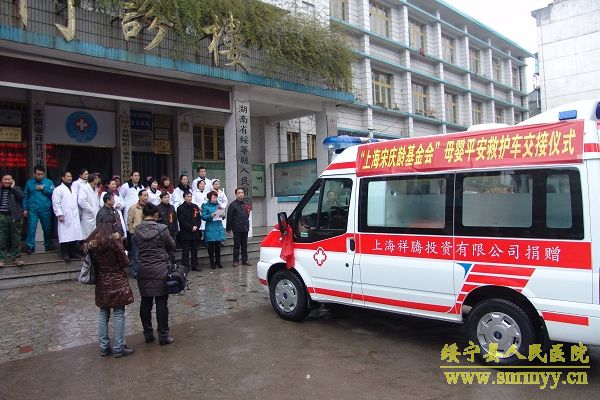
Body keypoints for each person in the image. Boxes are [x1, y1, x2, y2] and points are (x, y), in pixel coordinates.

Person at [84, 223, 134, 358]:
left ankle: (104, 347)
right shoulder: (115, 243)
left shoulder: (93, 246)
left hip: (102, 281)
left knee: (103, 313)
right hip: (117, 280)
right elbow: (125, 262)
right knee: (119, 313)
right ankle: (119, 347)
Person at [134, 203, 176, 346]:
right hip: (160, 269)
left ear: (143, 215)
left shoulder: (136, 230)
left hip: (143, 269)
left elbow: (137, 245)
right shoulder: (162, 229)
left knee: (145, 302)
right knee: (161, 302)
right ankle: (163, 335)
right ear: (156, 215)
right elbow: (172, 246)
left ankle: (148, 334)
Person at [51, 171, 83, 262]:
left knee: (74, 234)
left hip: (74, 215)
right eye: (67, 176)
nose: (69, 178)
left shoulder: (73, 189)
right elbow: (56, 203)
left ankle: (73, 252)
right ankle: (65, 253)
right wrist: (59, 214)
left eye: (70, 176)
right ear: (63, 178)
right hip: (65, 215)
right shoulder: (58, 189)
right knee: (65, 235)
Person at [23, 165, 55, 253]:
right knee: (31, 228)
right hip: (32, 209)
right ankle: (30, 246)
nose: (40, 176)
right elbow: (25, 196)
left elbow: (54, 192)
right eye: (38, 174)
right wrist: (25, 209)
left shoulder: (49, 182)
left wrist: (44, 188)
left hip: (45, 208)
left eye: (41, 174)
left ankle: (48, 244)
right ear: (34, 174)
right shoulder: (29, 183)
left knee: (47, 228)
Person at [0, 173, 26, 267]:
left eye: (9, 179)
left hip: (14, 217)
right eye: (5, 179)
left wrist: (13, 187)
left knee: (16, 238)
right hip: (2, 216)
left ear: (12, 181)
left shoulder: (16, 189)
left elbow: (21, 197)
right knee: (1, 238)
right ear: (2, 181)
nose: (7, 181)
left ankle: (16, 258)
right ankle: (1, 259)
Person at [226, 188, 251, 267]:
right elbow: (229, 217)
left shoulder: (246, 204)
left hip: (245, 227)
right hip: (236, 227)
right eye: (239, 193)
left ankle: (245, 260)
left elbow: (247, 215)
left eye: (242, 193)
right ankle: (235, 261)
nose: (241, 194)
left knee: (244, 245)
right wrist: (228, 228)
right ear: (236, 194)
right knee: (237, 245)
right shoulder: (232, 205)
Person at [177, 191, 202, 272]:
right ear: (184, 197)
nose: (189, 198)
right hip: (186, 232)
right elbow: (182, 221)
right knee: (185, 250)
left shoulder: (195, 206)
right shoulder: (180, 208)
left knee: (195, 250)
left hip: (195, 232)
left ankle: (195, 265)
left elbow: (198, 218)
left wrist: (197, 226)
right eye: (188, 196)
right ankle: (185, 266)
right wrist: (191, 227)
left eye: (190, 196)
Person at [201, 191, 226, 269]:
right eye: (214, 197)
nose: (215, 199)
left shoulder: (218, 205)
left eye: (216, 197)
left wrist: (223, 216)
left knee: (218, 246)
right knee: (211, 247)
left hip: (218, 227)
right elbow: (203, 216)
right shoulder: (205, 206)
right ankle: (212, 263)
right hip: (210, 228)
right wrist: (210, 216)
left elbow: (222, 216)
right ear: (210, 198)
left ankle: (218, 262)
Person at [127, 190, 148, 277]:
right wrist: (132, 232)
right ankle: (135, 271)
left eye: (147, 195)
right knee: (136, 254)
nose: (146, 197)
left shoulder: (149, 207)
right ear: (139, 196)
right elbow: (130, 221)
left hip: (147, 233)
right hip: (137, 233)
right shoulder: (133, 208)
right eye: (144, 195)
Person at [157, 192, 178, 264]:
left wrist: (176, 230)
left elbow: (175, 219)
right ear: (161, 199)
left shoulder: (172, 207)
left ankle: (173, 264)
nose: (167, 199)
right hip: (162, 232)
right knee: (164, 250)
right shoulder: (158, 208)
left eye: (168, 197)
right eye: (165, 197)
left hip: (172, 231)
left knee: (172, 249)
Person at [78, 173, 100, 239]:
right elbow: (81, 201)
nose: (98, 180)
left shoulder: (96, 189)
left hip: (96, 214)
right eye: (96, 178)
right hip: (88, 215)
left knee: (95, 236)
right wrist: (91, 210)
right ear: (93, 179)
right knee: (88, 236)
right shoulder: (84, 188)